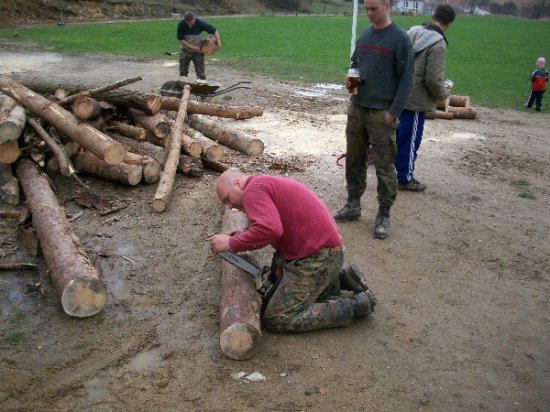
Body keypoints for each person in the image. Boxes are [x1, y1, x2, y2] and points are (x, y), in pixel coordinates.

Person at [209, 168, 377, 333]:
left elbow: (270, 229)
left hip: (318, 259)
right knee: (274, 290)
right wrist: (240, 236)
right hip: (319, 253)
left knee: (278, 317)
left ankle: (355, 306)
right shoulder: (261, 185)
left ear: (238, 183)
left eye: (227, 199)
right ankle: (341, 280)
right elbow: (269, 226)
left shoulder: (253, 190)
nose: (230, 206)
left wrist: (231, 243)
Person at [333, 0, 414, 240]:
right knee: (354, 159)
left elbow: (407, 80)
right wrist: (350, 80)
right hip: (357, 107)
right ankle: (353, 204)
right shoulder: (366, 34)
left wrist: (393, 112)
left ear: (387, 5)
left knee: (384, 164)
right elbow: (355, 64)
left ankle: (384, 213)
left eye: (373, 9)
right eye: (366, 8)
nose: (368, 13)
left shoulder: (400, 39)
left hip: (382, 113)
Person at [394, 4, 456, 192]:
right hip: (416, 99)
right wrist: (443, 94)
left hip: (399, 93)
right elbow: (433, 78)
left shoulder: (412, 31)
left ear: (434, 16)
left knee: (399, 135)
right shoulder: (438, 43)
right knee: (411, 138)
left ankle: (393, 169)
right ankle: (404, 178)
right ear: (449, 24)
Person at [176, 11, 221, 80]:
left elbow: (214, 31)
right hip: (185, 51)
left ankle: (201, 87)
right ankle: (184, 88)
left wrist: (218, 43)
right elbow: (181, 40)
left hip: (198, 52)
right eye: (189, 23)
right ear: (185, 20)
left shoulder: (200, 22)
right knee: (182, 73)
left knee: (201, 74)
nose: (190, 25)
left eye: (192, 22)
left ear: (194, 18)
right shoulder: (181, 24)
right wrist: (195, 48)